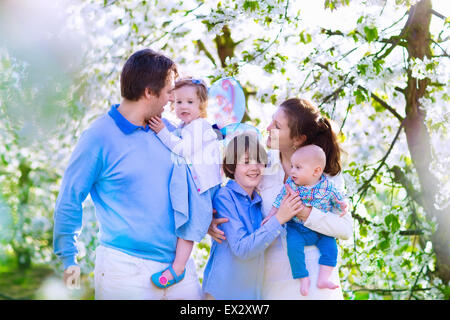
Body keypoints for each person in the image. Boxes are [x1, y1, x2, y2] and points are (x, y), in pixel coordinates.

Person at [53, 49, 202, 300]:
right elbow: (69, 199)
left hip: (179, 269)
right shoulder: (98, 137)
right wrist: (69, 264)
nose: (171, 100)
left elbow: (192, 187)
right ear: (148, 92)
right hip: (125, 271)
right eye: (168, 92)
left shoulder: (171, 133)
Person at [209, 98, 353, 299]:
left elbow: (345, 229)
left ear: (298, 139)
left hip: (313, 275)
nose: (268, 128)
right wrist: (211, 220)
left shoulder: (324, 174)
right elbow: (230, 193)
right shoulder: (261, 166)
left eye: (277, 126)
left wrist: (302, 212)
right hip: (270, 278)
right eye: (271, 121)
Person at [202, 134, 300, 300]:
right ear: (232, 167)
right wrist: (278, 219)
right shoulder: (224, 196)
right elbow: (242, 248)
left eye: (259, 161)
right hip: (223, 293)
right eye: (246, 162)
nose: (254, 167)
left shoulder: (258, 202)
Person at [147, 78, 221, 288]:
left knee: (188, 227)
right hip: (197, 184)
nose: (183, 107)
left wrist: (162, 131)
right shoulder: (186, 126)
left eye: (190, 102)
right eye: (178, 102)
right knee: (186, 223)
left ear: (201, 105)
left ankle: (178, 269)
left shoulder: (200, 126)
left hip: (202, 187)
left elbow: (182, 150)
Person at [262, 144, 347, 296]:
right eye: (292, 166)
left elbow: (338, 200)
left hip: (319, 230)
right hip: (297, 228)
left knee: (331, 248)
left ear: (316, 171)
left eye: (298, 167)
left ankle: (324, 277)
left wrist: (342, 206)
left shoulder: (328, 186)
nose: (292, 171)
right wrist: (271, 216)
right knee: (293, 248)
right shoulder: (291, 185)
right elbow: (278, 202)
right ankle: (303, 276)